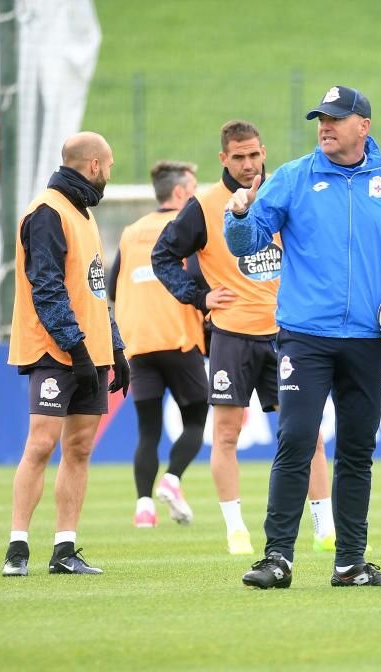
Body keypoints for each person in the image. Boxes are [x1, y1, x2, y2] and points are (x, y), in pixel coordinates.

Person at [225, 86, 381, 589]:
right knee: (295, 440)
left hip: (368, 338)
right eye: (320, 118)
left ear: (365, 126)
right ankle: (276, 559)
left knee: (357, 449)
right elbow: (245, 246)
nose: (325, 126)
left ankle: (351, 563)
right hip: (305, 337)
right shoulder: (293, 178)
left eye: (336, 118)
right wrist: (241, 215)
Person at [152, 120, 335, 556]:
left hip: (288, 333)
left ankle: (324, 527)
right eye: (239, 157)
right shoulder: (203, 205)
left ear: (263, 151)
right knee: (227, 434)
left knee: (307, 433)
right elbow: (162, 257)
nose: (249, 164)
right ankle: (236, 529)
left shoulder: (285, 192)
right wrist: (199, 296)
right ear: (223, 159)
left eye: (255, 155)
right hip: (232, 336)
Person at [1, 132, 131, 577]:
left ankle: (64, 549)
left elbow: (94, 290)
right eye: (109, 166)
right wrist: (75, 348)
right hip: (56, 351)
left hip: (91, 352)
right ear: (94, 165)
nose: (109, 175)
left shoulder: (82, 214)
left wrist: (116, 347)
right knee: (40, 443)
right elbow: (48, 288)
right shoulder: (47, 212)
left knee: (79, 449)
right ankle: (17, 549)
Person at [107, 160, 208, 528]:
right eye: (194, 189)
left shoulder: (131, 232)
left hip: (139, 346)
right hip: (179, 339)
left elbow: (115, 284)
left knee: (147, 431)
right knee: (196, 419)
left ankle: (144, 508)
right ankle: (172, 479)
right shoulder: (188, 231)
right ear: (180, 192)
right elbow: (200, 279)